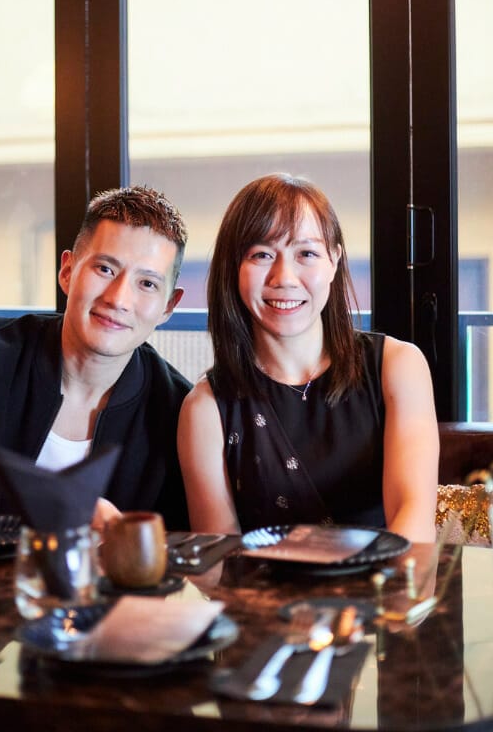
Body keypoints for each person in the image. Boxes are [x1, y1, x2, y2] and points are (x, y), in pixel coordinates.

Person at [0, 186, 191, 530]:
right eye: (105, 269)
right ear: (67, 271)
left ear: (169, 306)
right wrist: (60, 503)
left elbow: (182, 541)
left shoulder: (177, 409)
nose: (118, 299)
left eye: (148, 284)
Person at [178, 173, 439, 543]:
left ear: (334, 261)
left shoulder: (397, 367)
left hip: (388, 578)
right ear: (233, 268)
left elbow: (413, 522)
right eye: (262, 254)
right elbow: (220, 558)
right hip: (259, 582)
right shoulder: (205, 408)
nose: (284, 277)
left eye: (306, 254)